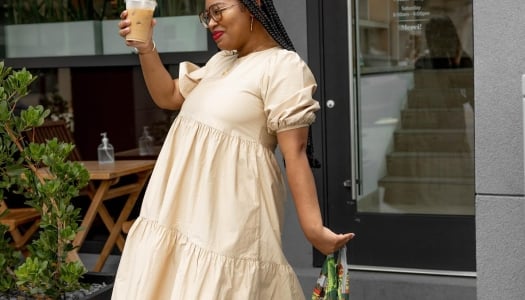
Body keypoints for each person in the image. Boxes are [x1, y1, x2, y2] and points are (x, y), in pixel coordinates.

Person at [112, 0, 355, 299]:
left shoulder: (283, 66)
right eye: (207, 16)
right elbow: (169, 95)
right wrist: (146, 47)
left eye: (218, 11)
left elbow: (296, 153)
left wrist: (313, 229)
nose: (212, 22)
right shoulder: (221, 62)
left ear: (253, 7)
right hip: (177, 212)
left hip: (229, 219)